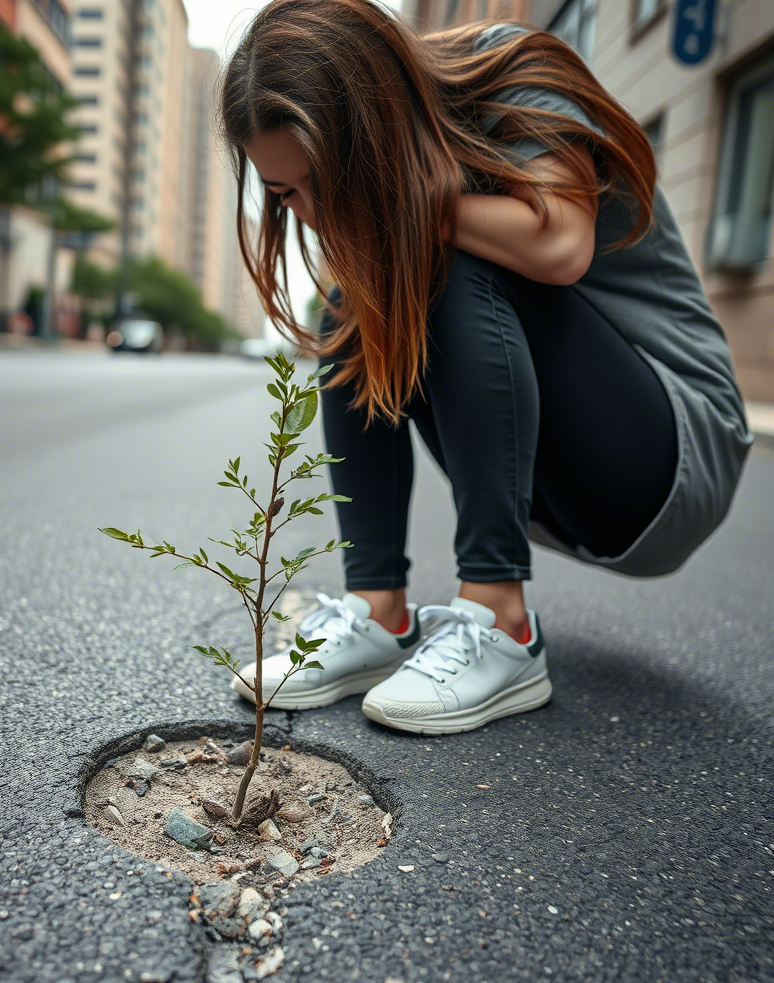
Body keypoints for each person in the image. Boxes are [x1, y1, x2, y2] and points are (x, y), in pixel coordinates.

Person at [219, 0, 753, 734]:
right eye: (286, 196)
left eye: (323, 184)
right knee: (352, 294)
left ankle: (502, 623)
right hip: (561, 484)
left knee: (430, 256)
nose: (313, 214)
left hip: (672, 455)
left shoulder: (512, 72)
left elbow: (559, 244)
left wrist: (397, 213)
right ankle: (377, 612)